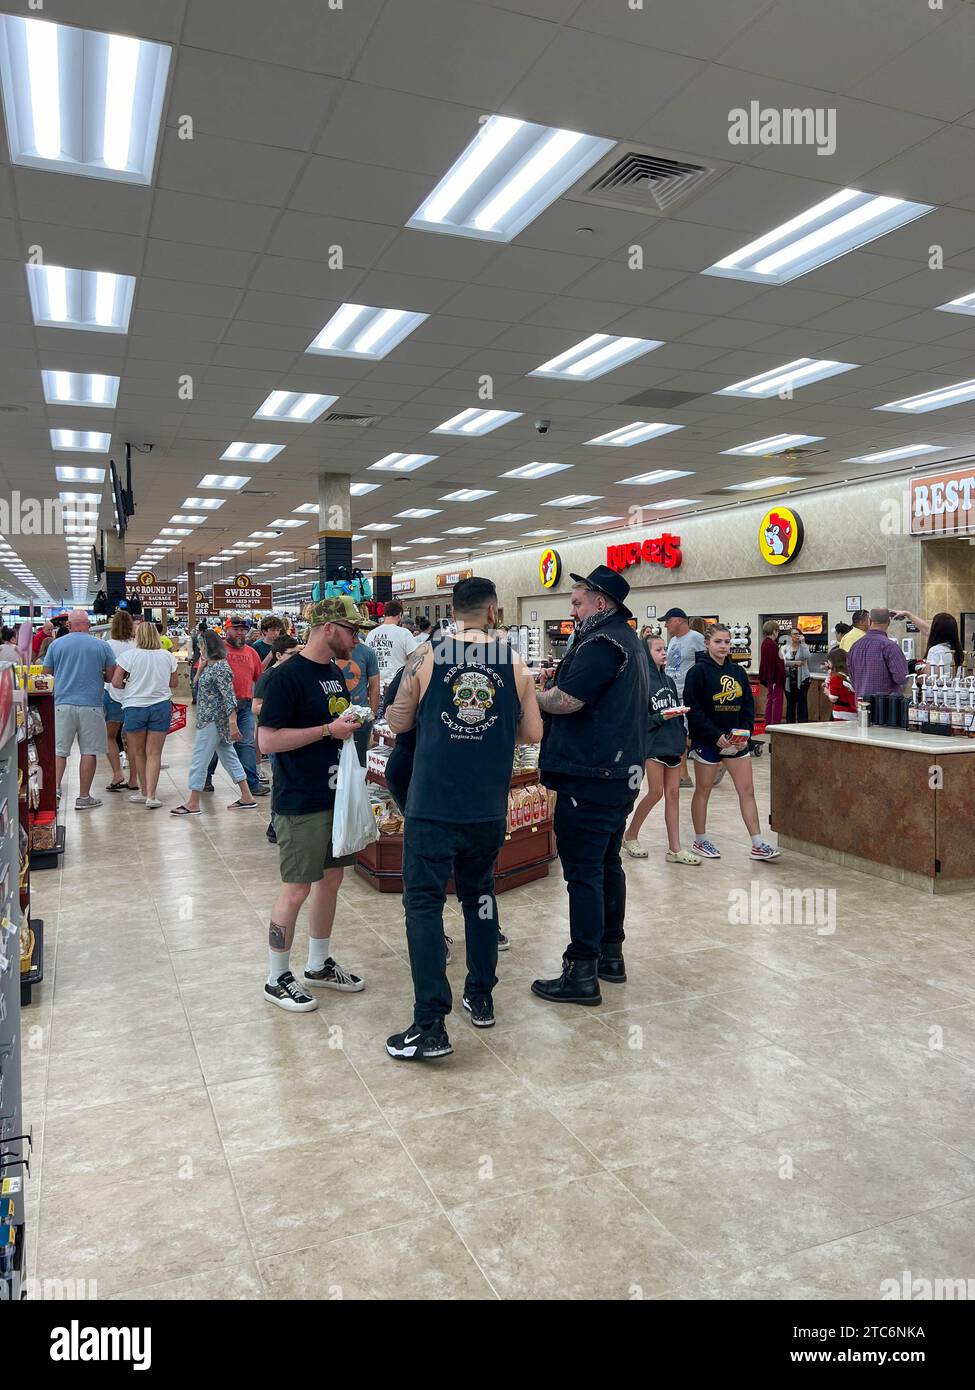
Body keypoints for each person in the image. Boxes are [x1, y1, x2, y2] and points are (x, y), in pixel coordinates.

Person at [385, 578, 542, 1058]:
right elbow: (532, 732)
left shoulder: (425, 657)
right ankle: (481, 996)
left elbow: (397, 722)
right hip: (486, 807)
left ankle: (430, 1024)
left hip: (433, 804)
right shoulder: (515, 664)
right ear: (493, 613)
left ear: (453, 611)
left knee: (425, 905)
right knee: (480, 899)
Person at [532, 566, 649, 1005]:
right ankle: (610, 955)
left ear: (601, 603)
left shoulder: (602, 643)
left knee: (582, 873)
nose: (572, 609)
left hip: (592, 773)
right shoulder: (629, 640)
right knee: (605, 865)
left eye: (578, 602)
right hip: (619, 772)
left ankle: (580, 971)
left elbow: (568, 701)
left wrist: (526, 695)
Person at [256, 596, 368, 1013]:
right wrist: (327, 730)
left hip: (335, 794)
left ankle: (318, 963)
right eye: (352, 630)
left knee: (332, 880)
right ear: (328, 629)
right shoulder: (285, 677)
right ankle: (275, 976)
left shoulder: (334, 674)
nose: (356, 639)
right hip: (300, 798)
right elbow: (267, 741)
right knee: (296, 887)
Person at [683, 624, 780, 862]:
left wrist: (744, 734)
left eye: (727, 642)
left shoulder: (737, 672)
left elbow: (747, 706)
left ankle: (757, 843)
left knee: (747, 790)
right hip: (708, 741)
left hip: (736, 742)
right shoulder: (697, 673)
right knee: (704, 790)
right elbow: (693, 710)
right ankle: (700, 839)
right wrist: (715, 735)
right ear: (707, 644)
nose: (724, 646)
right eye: (718, 642)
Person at [623, 634, 700, 865]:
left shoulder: (668, 681)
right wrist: (660, 717)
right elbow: (638, 720)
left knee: (674, 795)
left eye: (664, 648)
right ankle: (630, 835)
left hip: (672, 743)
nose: (664, 653)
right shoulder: (641, 682)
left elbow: (673, 710)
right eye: (658, 650)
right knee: (656, 792)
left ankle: (675, 848)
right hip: (653, 745)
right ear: (647, 654)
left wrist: (681, 731)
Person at [171, 630, 257, 815]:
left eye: (201, 646)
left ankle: (193, 802)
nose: (199, 649)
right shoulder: (212, 666)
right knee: (229, 757)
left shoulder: (220, 668)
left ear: (207, 647)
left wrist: (232, 722)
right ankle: (247, 796)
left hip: (213, 721)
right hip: (212, 720)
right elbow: (197, 684)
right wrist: (202, 666)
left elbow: (229, 696)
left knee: (199, 759)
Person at [43, 609, 116, 809]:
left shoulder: (56, 645)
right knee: (89, 752)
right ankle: (84, 797)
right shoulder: (102, 645)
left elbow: (46, 675)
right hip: (91, 705)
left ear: (69, 625)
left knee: (59, 752)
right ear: (88, 625)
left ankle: (55, 791)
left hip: (61, 705)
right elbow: (110, 677)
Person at [111, 621, 178, 809]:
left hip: (134, 707)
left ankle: (143, 792)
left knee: (138, 752)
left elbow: (116, 682)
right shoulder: (167, 656)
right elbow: (173, 683)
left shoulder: (128, 656)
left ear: (138, 637)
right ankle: (152, 795)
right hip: (160, 706)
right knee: (154, 753)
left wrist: (130, 683)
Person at [204, 615, 268, 797]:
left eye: (243, 630)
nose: (240, 633)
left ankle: (252, 784)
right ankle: (205, 778)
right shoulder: (217, 650)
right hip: (219, 707)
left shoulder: (251, 653)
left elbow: (259, 677)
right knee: (214, 744)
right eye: (236, 629)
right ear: (226, 630)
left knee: (246, 744)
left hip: (245, 705)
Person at [253, 635, 300, 844]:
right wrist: (283, 705)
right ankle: (275, 825)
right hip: (275, 735)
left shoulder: (297, 675)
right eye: (292, 654)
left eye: (298, 653)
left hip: (294, 734)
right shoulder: (268, 677)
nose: (296, 657)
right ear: (279, 655)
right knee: (280, 780)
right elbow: (255, 707)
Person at [662, 607, 705, 788]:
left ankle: (685, 774)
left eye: (668, 621)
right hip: (673, 692)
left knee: (683, 733)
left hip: (688, 693)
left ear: (679, 620)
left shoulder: (696, 638)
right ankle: (684, 773)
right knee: (679, 731)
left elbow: (704, 664)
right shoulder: (672, 641)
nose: (665, 625)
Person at [103, 609, 137, 792]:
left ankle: (117, 773)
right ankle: (133, 779)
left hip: (113, 696)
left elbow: (105, 672)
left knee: (108, 736)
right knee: (132, 738)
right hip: (134, 697)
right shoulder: (138, 644)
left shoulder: (107, 645)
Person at [336, 628, 380, 767]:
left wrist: (371, 715)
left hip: (359, 718)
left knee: (359, 764)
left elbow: (374, 687)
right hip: (333, 719)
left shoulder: (367, 653)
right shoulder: (330, 652)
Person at [848, 607, 910, 698]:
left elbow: (852, 676)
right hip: (884, 705)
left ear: (869, 621)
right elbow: (901, 678)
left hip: (861, 703)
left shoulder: (855, 646)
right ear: (888, 622)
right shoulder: (890, 647)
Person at [366, 600, 417, 689]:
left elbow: (366, 661)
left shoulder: (371, 634)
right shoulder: (404, 633)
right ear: (399, 615)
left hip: (374, 686)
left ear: (385, 614)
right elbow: (415, 660)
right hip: (397, 686)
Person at [892, 610, 963, 674]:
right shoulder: (955, 650)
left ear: (936, 630)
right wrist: (908, 614)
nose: (930, 627)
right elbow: (926, 630)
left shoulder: (936, 650)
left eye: (932, 625)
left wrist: (919, 668)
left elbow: (928, 678)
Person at [758, 620, 786, 727]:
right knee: (776, 703)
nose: (778, 633)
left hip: (772, 679)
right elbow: (772, 664)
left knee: (771, 702)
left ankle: (769, 724)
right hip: (775, 679)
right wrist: (773, 679)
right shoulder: (771, 645)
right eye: (777, 630)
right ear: (774, 631)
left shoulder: (766, 643)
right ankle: (774, 725)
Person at [782, 626, 811, 724]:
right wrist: (795, 663)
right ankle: (790, 724)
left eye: (798, 634)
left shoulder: (804, 646)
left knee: (802, 702)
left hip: (803, 678)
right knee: (790, 703)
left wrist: (803, 643)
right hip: (789, 679)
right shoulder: (784, 648)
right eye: (794, 634)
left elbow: (806, 656)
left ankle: (802, 724)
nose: (797, 636)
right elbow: (783, 662)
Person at [824, 647, 857, 721]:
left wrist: (828, 692)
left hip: (841, 713)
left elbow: (833, 698)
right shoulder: (850, 674)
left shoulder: (836, 678)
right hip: (854, 711)